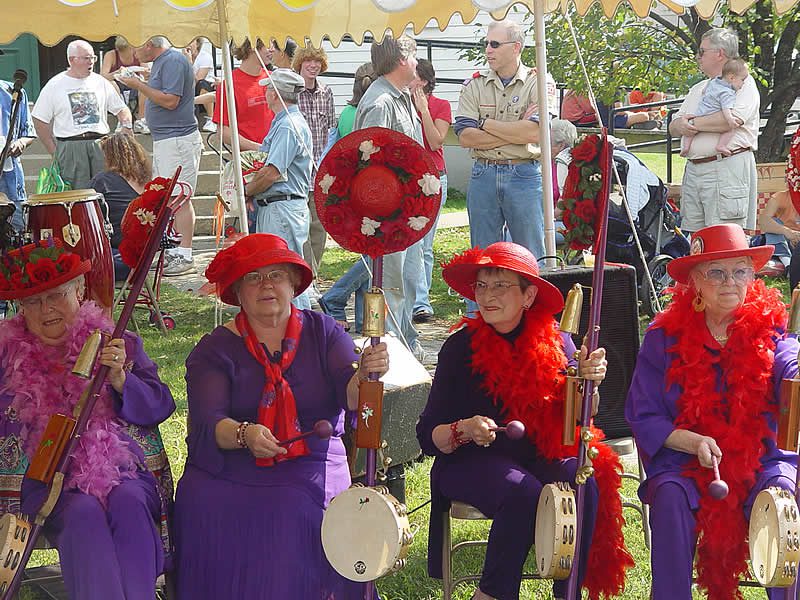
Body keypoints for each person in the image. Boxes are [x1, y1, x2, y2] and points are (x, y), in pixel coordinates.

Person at [173, 233, 389, 599]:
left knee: (292, 511)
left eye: (276, 275)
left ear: (293, 284)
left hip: (312, 459)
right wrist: (244, 434)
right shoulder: (214, 349)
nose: (266, 285)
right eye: (253, 277)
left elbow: (350, 395)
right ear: (238, 292)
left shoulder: (324, 333)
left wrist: (365, 374)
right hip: (231, 465)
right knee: (202, 501)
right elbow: (211, 422)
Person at [417, 241, 633, 600]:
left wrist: (589, 383)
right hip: (470, 461)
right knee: (523, 492)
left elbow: (582, 415)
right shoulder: (459, 349)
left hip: (539, 456)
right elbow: (427, 436)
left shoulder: (557, 342)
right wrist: (464, 429)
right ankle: (491, 594)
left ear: (528, 296)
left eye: (500, 286)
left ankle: (568, 593)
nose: (488, 296)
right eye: (482, 286)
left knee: (583, 480)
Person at [626, 223, 799, 600]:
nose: (730, 282)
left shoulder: (772, 329)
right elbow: (643, 414)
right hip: (684, 462)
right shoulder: (663, 337)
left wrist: (796, 369)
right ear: (695, 282)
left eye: (740, 271)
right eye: (716, 272)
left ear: (753, 277)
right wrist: (692, 441)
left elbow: (788, 360)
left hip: (761, 458)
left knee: (783, 493)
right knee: (669, 495)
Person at [0, 239, 175, 600]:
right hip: (45, 480)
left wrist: (121, 380)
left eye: (57, 296)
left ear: (79, 291)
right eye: (33, 300)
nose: (46, 309)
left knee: (129, 503)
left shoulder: (117, 342)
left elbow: (160, 404)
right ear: (20, 308)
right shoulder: (6, 357)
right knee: (82, 514)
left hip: (124, 471)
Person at [354, 33, 424, 358]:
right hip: (388, 215)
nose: (417, 62)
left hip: (407, 211)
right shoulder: (380, 102)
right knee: (390, 286)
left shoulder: (402, 96)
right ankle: (387, 357)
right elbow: (369, 164)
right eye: (414, 55)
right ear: (400, 59)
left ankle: (406, 349)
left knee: (407, 283)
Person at [454, 19, 545, 261]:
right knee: (482, 258)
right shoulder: (475, 85)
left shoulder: (540, 82)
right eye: (486, 43)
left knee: (531, 257)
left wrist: (485, 124)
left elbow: (535, 134)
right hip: (483, 174)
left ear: (516, 48)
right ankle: (483, 301)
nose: (488, 50)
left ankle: (530, 301)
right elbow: (465, 137)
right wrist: (515, 133)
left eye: (495, 44)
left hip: (523, 175)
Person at [119, 36, 203, 277]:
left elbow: (170, 101)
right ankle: (175, 250)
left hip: (178, 140)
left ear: (148, 44)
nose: (135, 55)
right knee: (169, 197)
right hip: (168, 139)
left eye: (136, 47)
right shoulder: (163, 61)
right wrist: (144, 80)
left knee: (180, 196)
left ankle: (185, 253)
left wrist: (138, 86)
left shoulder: (173, 60)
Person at [669, 28, 760, 234]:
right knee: (696, 239)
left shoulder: (743, 83)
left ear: (719, 53)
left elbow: (731, 120)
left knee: (725, 238)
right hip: (694, 169)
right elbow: (673, 126)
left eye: (701, 51)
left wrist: (691, 125)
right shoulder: (698, 88)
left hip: (725, 167)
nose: (697, 56)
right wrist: (680, 126)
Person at [246, 68, 314, 310]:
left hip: (282, 206)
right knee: (281, 270)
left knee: (284, 272)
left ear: (275, 94)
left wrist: (246, 191)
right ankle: (297, 326)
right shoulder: (287, 122)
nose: (264, 92)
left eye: (268, 88)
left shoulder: (288, 125)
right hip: (279, 206)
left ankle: (304, 327)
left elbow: (272, 172)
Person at [317, 62, 376, 332]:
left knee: (368, 250)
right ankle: (336, 295)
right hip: (370, 190)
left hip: (352, 189)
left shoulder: (347, 113)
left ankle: (365, 319)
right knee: (375, 253)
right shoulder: (370, 110)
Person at [32, 39, 132, 190]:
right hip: (71, 147)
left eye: (93, 58)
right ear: (71, 60)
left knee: (106, 193)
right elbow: (39, 119)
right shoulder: (55, 84)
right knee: (76, 197)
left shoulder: (101, 82)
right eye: (86, 58)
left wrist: (126, 125)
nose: (91, 62)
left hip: (100, 144)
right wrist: (54, 150)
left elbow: (121, 109)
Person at [409, 58, 452, 324]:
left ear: (423, 81)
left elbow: (436, 140)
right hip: (407, 180)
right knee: (410, 242)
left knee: (424, 245)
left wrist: (424, 110)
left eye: (412, 76)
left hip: (434, 178)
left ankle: (421, 303)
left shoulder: (440, 105)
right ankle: (410, 298)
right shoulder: (400, 103)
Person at [293, 44, 336, 280]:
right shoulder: (292, 92)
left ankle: (313, 274)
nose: (313, 65)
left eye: (317, 61)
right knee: (302, 228)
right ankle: (305, 278)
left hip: (320, 172)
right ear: (300, 63)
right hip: (298, 172)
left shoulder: (326, 92)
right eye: (308, 61)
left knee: (319, 228)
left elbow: (331, 130)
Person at [90, 132, 152, 281]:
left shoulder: (103, 181)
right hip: (143, 256)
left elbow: (88, 213)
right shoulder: (147, 182)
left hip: (118, 253)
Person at [212, 37, 274, 152]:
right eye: (268, 45)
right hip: (248, 161)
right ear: (252, 47)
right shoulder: (229, 85)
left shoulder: (273, 79)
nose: (273, 49)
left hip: (277, 158)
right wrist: (259, 148)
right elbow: (224, 132)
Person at [681, 58, 749, 157]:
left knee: (691, 130)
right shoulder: (727, 93)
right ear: (731, 78)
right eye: (742, 80)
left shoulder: (715, 81)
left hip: (700, 112)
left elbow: (704, 91)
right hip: (712, 114)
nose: (743, 84)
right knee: (730, 129)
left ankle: (686, 147)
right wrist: (730, 119)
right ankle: (721, 145)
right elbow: (726, 108)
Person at [758, 130, 800, 287]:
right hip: (786, 243)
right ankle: (787, 264)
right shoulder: (781, 196)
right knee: (773, 227)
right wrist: (788, 233)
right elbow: (764, 221)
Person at [0, 48, 36, 232]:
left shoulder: (13, 92)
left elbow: (28, 133)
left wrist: (21, 143)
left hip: (9, 175)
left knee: (17, 230)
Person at [100, 35, 149, 134]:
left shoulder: (138, 54)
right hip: (118, 86)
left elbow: (146, 72)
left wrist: (144, 72)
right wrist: (117, 73)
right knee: (111, 83)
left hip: (134, 85)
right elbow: (102, 77)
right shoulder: (111, 55)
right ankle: (122, 119)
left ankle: (141, 120)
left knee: (144, 85)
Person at [185, 37, 217, 133]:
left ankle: (211, 119)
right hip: (190, 90)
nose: (188, 45)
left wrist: (189, 64)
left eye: (191, 42)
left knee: (202, 84)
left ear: (198, 44)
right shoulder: (181, 58)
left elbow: (198, 79)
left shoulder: (205, 57)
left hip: (206, 89)